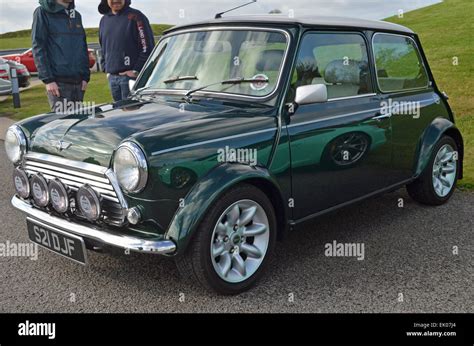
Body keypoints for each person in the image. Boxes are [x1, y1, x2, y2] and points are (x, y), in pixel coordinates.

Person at [32, 0, 90, 112]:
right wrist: (48, 80)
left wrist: (85, 77)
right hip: (58, 84)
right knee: (62, 125)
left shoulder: (76, 15)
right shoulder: (42, 12)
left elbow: (82, 46)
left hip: (78, 83)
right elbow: (38, 47)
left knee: (77, 124)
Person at [98, 0, 155, 101]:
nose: (116, 0)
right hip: (112, 79)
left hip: (131, 79)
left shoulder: (136, 16)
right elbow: (103, 46)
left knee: (133, 113)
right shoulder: (104, 20)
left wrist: (136, 70)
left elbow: (147, 47)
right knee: (118, 113)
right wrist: (106, 68)